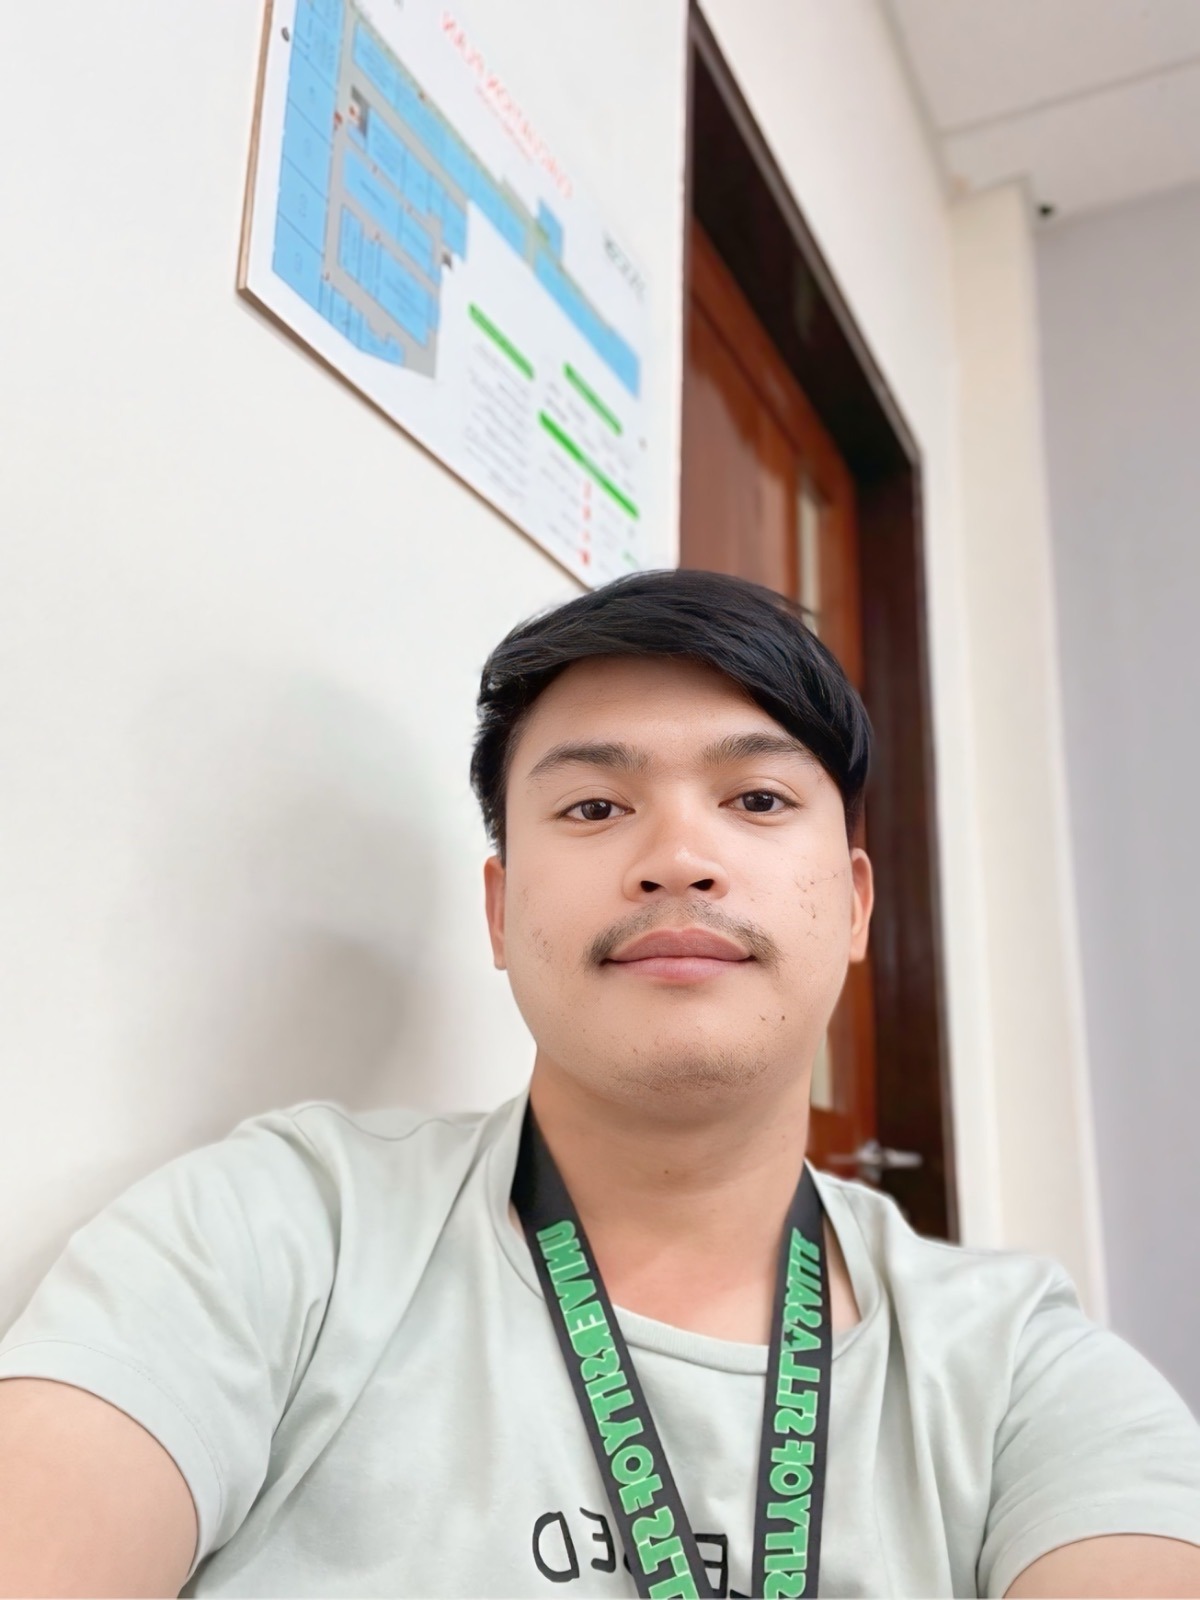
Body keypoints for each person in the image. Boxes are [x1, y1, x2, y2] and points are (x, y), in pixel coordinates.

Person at [1, 568, 1198, 1599]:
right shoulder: (277, 1230)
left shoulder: (1021, 1367)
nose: (677, 857)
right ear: (499, 911)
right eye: (593, 806)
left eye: (758, 799)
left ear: (854, 905)